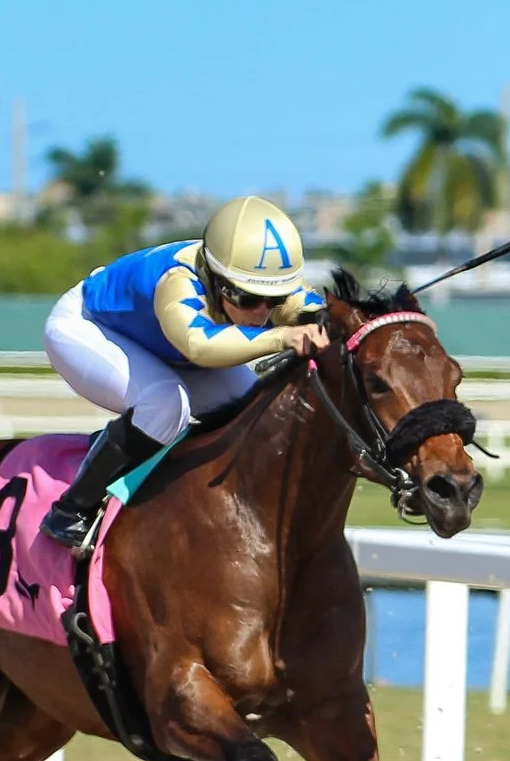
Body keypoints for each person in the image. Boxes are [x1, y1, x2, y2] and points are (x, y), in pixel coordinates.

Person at [38, 196, 329, 546]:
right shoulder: (178, 280)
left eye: (275, 300)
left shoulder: (255, 276)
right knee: (165, 404)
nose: (263, 312)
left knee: (254, 409)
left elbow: (314, 310)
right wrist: (282, 336)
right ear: (217, 279)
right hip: (88, 327)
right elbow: (199, 345)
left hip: (162, 344)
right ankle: (71, 510)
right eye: (249, 300)